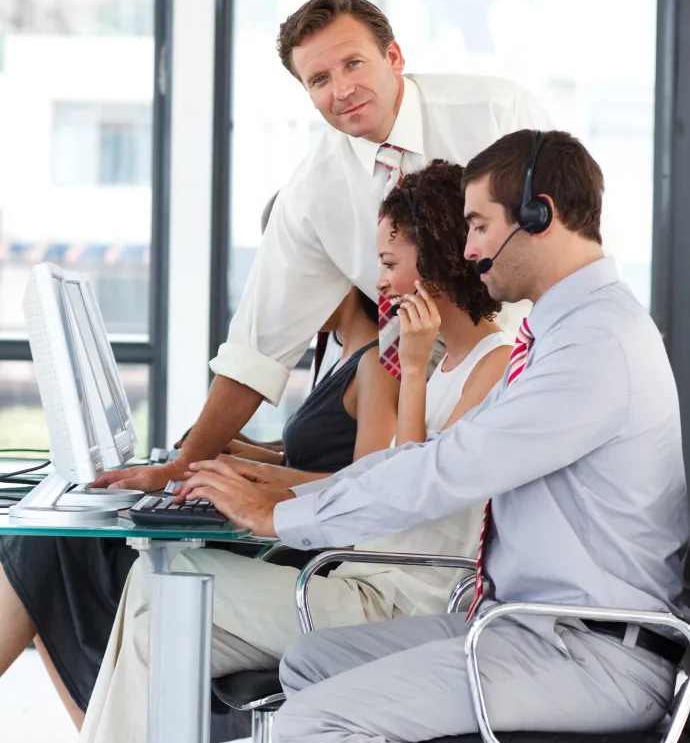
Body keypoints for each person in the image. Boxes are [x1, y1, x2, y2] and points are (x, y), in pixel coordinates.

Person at [176, 129, 689, 741]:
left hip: (589, 654)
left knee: (315, 720)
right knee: (311, 662)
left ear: (539, 215)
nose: (469, 250)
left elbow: (454, 468)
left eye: (479, 225)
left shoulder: (594, 344)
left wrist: (277, 518)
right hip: (527, 628)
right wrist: (289, 500)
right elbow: (439, 453)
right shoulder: (562, 333)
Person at [78, 160, 511, 743]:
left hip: (398, 603)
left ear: (435, 259)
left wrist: (411, 370)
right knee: (155, 618)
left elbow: (406, 490)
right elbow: (374, 476)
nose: (379, 281)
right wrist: (260, 483)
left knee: (166, 582)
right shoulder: (446, 364)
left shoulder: (492, 365)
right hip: (360, 578)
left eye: (389, 263)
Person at [95, 0, 552, 496]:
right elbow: (256, 348)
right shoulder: (312, 192)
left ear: (393, 57)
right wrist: (180, 468)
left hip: (532, 371)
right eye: (319, 79)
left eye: (353, 63)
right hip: (428, 400)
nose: (342, 90)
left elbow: (570, 243)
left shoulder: (496, 113)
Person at [0, 283, 396, 734]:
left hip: (298, 547)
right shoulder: (340, 354)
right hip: (287, 531)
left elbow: (360, 483)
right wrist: (246, 456)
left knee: (47, 548)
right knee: (50, 548)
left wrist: (246, 473)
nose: (285, 292)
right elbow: (325, 457)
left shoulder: (376, 363)